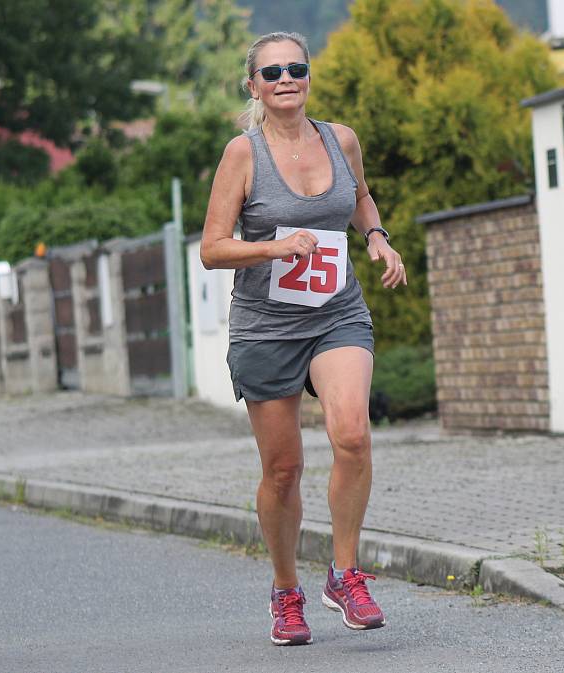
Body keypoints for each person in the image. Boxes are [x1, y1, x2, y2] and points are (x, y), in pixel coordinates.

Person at [200, 31, 407, 646]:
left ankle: (345, 574)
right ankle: (286, 590)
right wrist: (275, 245)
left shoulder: (341, 139)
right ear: (254, 86)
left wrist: (375, 236)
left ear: (308, 76)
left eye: (296, 68)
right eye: (272, 72)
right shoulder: (244, 153)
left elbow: (360, 197)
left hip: (336, 312)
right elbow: (213, 249)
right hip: (266, 325)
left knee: (352, 433)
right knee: (283, 469)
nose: (286, 78)